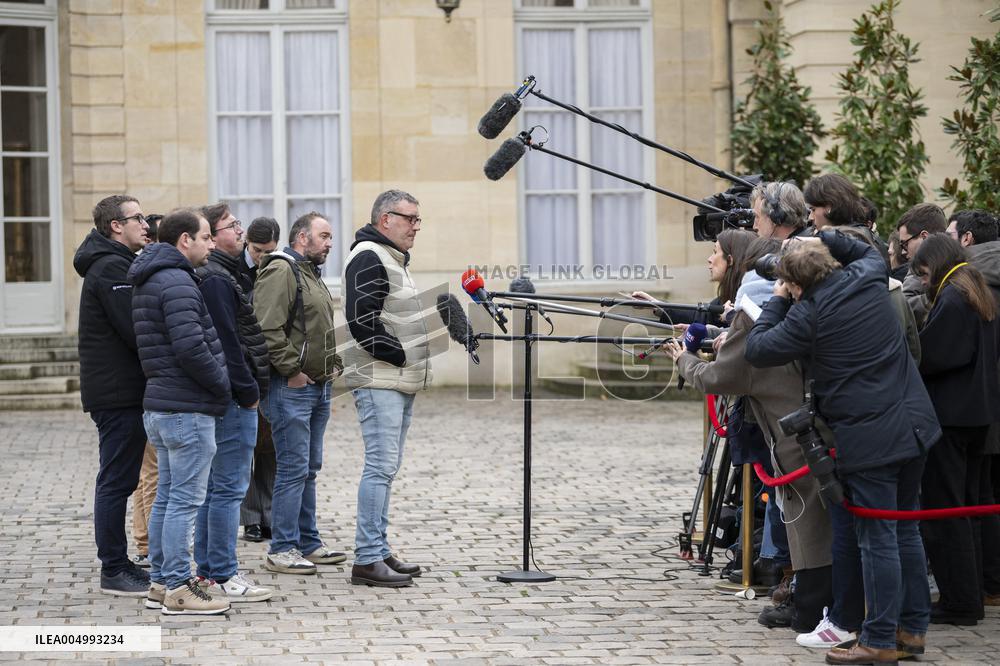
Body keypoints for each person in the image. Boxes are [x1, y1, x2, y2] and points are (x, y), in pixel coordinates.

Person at [745, 230, 941, 664]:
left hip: (872, 440)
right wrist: (817, 236)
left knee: (877, 538)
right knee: (905, 528)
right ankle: (911, 632)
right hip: (914, 423)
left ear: (797, 284)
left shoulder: (807, 314)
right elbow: (861, 248)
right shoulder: (869, 274)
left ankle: (879, 639)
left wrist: (777, 298)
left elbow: (758, 348)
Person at [665, 233, 835, 640]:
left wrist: (684, 359)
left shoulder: (758, 316)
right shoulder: (796, 309)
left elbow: (725, 376)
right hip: (806, 426)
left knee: (808, 521)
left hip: (796, 435)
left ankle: (813, 607)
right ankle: (813, 602)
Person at [129, 208, 232, 616]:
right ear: (184, 240)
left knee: (170, 499)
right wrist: (222, 383)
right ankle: (176, 586)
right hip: (185, 408)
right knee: (183, 502)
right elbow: (191, 347)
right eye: (206, 237)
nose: (211, 244)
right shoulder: (176, 281)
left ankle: (160, 582)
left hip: (163, 404)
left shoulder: (153, 276)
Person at [342, 189, 432, 587]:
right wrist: (398, 356)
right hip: (380, 380)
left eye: (417, 219)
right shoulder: (369, 256)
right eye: (409, 218)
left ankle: (378, 550)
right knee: (379, 467)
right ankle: (365, 558)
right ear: (385, 220)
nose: (415, 226)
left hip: (397, 381)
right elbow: (362, 320)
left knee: (387, 468)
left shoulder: (391, 257)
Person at [911, 234, 1000, 626]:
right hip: (976, 414)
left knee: (946, 512)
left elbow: (936, 355)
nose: (925, 281)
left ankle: (961, 602)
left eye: (925, 272)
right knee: (966, 510)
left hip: (951, 418)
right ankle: (969, 595)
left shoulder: (954, 295)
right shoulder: (973, 289)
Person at [254, 212, 345, 575]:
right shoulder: (282, 270)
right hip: (291, 388)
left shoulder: (310, 273)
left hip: (318, 386)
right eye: (324, 236)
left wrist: (332, 363)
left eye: (330, 237)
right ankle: (283, 548)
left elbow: (315, 328)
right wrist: (291, 370)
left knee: (308, 468)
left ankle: (308, 541)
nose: (330, 243)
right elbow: (267, 329)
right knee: (292, 468)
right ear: (302, 237)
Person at [193, 203, 272, 602]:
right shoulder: (217, 280)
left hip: (227, 395)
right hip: (233, 398)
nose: (239, 230)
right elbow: (230, 344)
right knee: (227, 488)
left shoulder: (226, 273)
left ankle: (210, 570)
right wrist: (249, 393)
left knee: (217, 488)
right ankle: (222, 572)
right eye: (229, 226)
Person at [74, 195, 151, 596]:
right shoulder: (110, 267)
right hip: (117, 392)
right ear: (115, 226)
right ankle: (114, 569)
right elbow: (135, 328)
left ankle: (120, 565)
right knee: (115, 481)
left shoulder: (117, 263)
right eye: (137, 217)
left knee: (120, 479)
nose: (145, 224)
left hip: (122, 390)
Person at [239, 216, 281, 544]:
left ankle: (267, 513)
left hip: (269, 366)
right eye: (257, 250)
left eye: (269, 251)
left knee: (269, 448)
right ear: (246, 245)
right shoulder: (233, 269)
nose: (262, 257)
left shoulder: (278, 267)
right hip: (243, 364)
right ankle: (250, 517)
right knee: (246, 446)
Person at [129, 213, 162, 570]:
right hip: (148, 386)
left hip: (144, 385)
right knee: (152, 472)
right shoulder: (147, 276)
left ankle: (144, 541)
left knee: (146, 473)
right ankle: (150, 543)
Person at [897, 203, 948, 326]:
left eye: (905, 244)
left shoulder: (920, 265)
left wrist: (942, 299)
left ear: (925, 236)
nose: (903, 251)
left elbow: (904, 308)